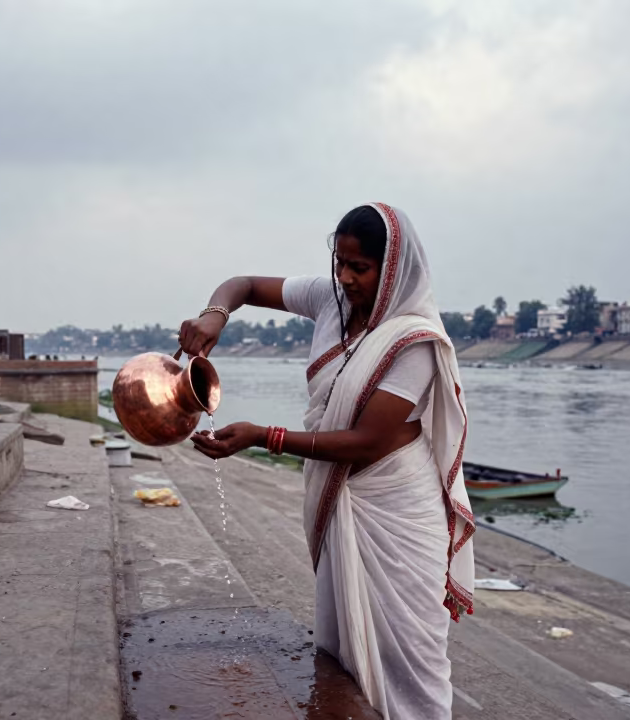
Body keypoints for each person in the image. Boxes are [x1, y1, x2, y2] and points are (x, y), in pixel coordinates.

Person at [181, 204, 474, 720]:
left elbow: (366, 441)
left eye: (359, 268)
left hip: (396, 512)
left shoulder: (414, 341)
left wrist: (262, 436)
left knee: (411, 663)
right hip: (342, 503)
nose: (345, 278)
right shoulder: (329, 300)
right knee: (343, 652)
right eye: (339, 262)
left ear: (394, 269)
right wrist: (215, 314)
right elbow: (243, 284)